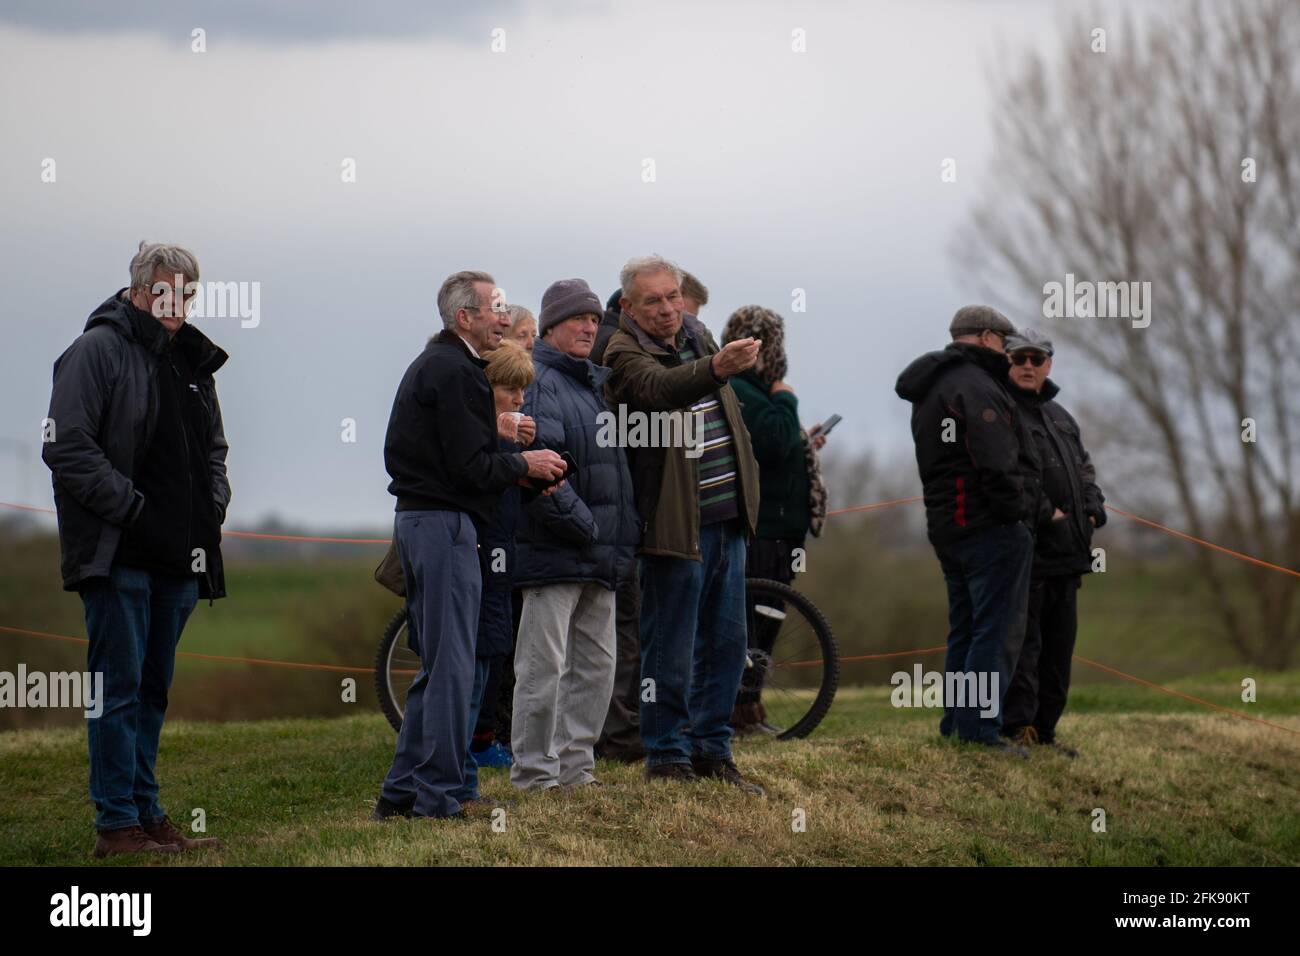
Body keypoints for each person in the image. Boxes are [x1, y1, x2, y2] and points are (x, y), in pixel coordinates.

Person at [42, 241, 229, 858]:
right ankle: (115, 824)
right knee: (116, 690)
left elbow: (214, 452)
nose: (178, 306)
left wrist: (211, 508)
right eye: (169, 293)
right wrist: (135, 510)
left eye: (188, 296)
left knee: (153, 692)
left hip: (181, 558)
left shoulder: (191, 360)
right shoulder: (96, 350)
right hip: (118, 553)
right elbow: (67, 447)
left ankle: (147, 814)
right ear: (142, 289)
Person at [374, 270, 564, 821]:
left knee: (437, 668)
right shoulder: (457, 372)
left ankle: (400, 793)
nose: (504, 320)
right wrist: (522, 463)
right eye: (495, 310)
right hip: (443, 526)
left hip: (420, 521)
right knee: (455, 668)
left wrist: (503, 445)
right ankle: (438, 797)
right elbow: (468, 468)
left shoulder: (438, 365)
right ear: (465, 318)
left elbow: (445, 453)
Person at [603, 255, 766, 793]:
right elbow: (659, 390)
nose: (669, 309)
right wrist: (718, 367)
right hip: (674, 526)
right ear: (628, 306)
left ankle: (714, 753)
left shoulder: (697, 330)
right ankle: (667, 756)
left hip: (728, 517)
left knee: (726, 644)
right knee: (669, 649)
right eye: (654, 300)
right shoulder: (622, 351)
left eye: (674, 296)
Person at [510, 279, 639, 789]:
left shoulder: (590, 383)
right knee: (544, 670)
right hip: (556, 551)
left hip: (598, 555)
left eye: (592, 319)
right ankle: (536, 775)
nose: (589, 326)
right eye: (576, 320)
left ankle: (575, 768)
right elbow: (541, 470)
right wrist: (586, 527)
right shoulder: (540, 379)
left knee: (595, 668)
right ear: (550, 327)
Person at [894, 305, 1038, 756]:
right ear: (989, 338)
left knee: (966, 628)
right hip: (989, 525)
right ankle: (978, 730)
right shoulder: (976, 386)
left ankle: (957, 724)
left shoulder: (933, 384)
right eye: (1006, 343)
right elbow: (996, 462)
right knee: (994, 631)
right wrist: (1019, 512)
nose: (1010, 354)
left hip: (947, 525)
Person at [720, 305, 828, 735]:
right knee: (751, 623)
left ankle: (749, 707)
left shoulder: (755, 391)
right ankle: (736, 710)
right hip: (762, 530)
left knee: (768, 621)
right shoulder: (743, 389)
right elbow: (775, 442)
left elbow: (783, 441)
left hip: (783, 532)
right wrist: (787, 396)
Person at [1000, 330, 1105, 756]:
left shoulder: (1061, 416)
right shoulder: (1005, 411)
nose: (1028, 365)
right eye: (1020, 358)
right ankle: (1017, 729)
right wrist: (1046, 513)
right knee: (1026, 650)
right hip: (1028, 556)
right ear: (1007, 362)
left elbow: (1084, 468)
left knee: (1059, 654)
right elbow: (1009, 476)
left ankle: (1045, 733)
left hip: (1070, 557)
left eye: (1037, 359)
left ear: (1049, 365)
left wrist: (1094, 504)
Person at [450, 340, 537, 797]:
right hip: (477, 559)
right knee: (466, 671)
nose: (520, 400)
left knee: (486, 665)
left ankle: (463, 779)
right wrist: (510, 455)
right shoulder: (471, 437)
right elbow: (474, 481)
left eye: (523, 391)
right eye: (510, 390)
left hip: (499, 564)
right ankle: (457, 782)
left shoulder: (500, 437)